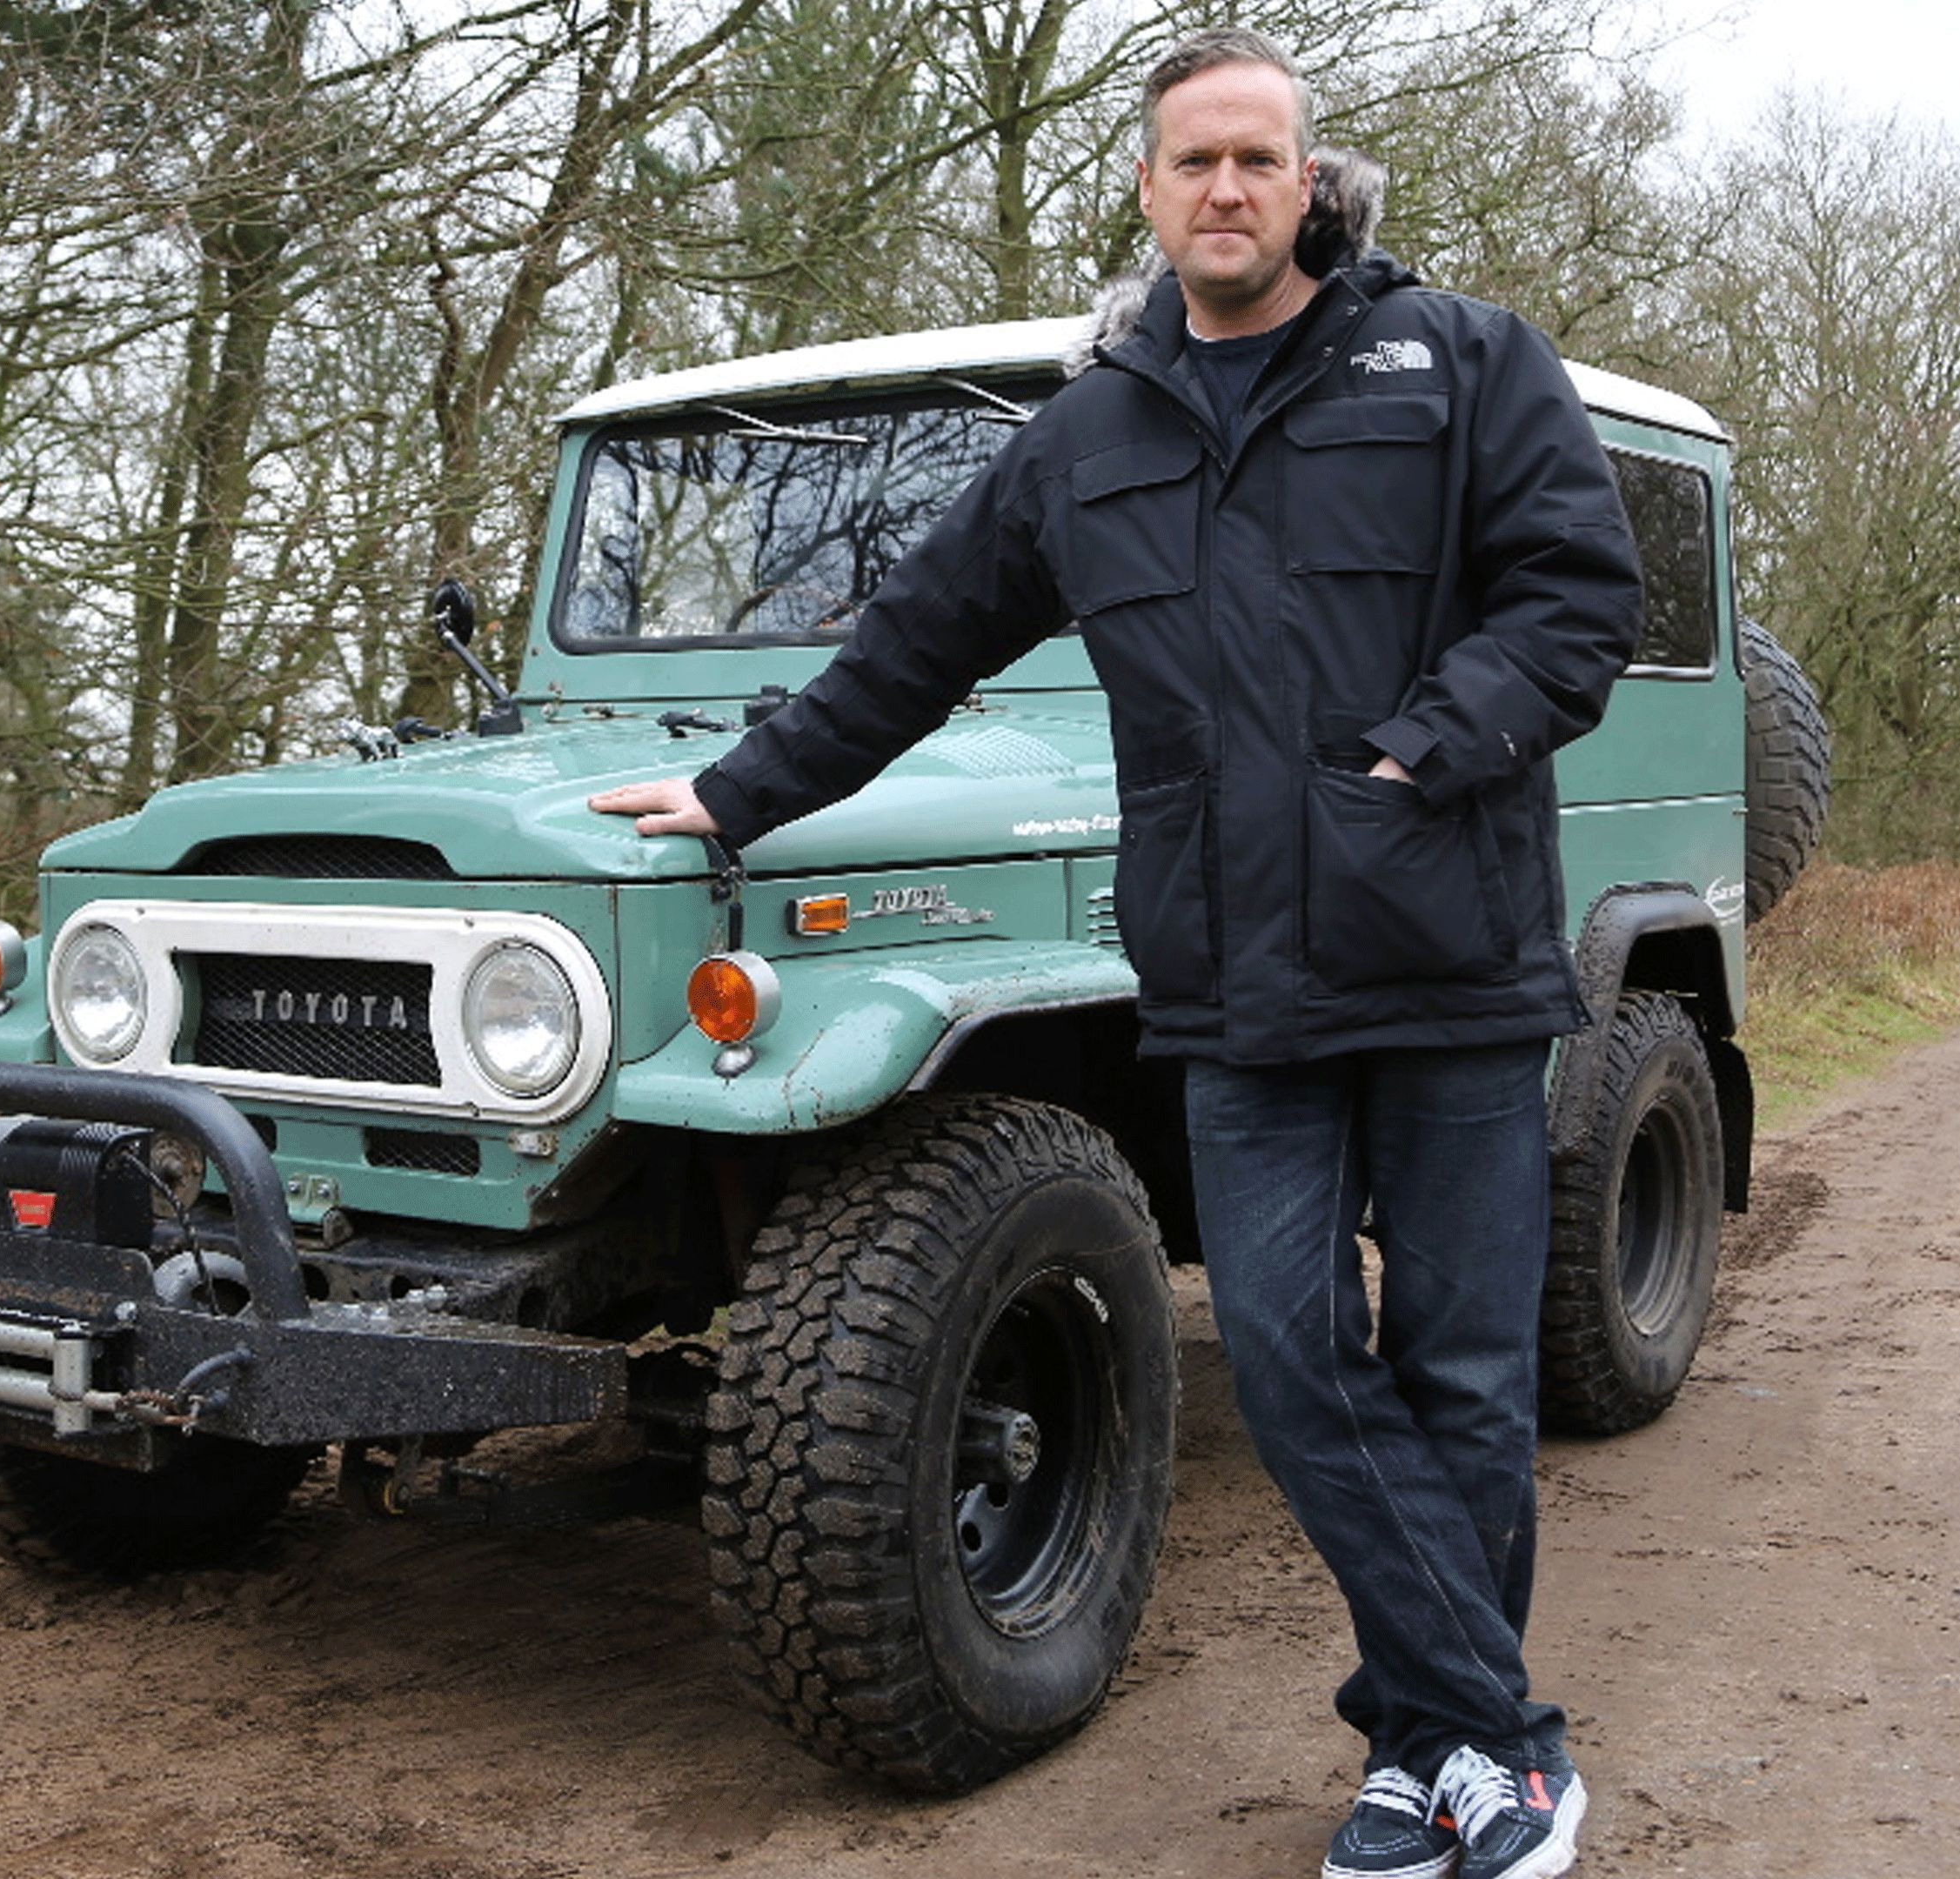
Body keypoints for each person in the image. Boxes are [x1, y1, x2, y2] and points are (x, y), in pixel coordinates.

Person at [587, 28, 1638, 1879]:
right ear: (1146, 193)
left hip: (1454, 965)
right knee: (1302, 1371)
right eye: (1192, 163)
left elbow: (1578, 603)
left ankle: (1420, 1760)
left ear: (1311, 182)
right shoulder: (1088, 435)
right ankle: (1505, 1741)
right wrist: (738, 792)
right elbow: (917, 641)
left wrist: (1418, 753)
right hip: (1235, 988)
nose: (1227, 189)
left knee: (1466, 1377)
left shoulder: (1461, 363)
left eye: (1259, 158)